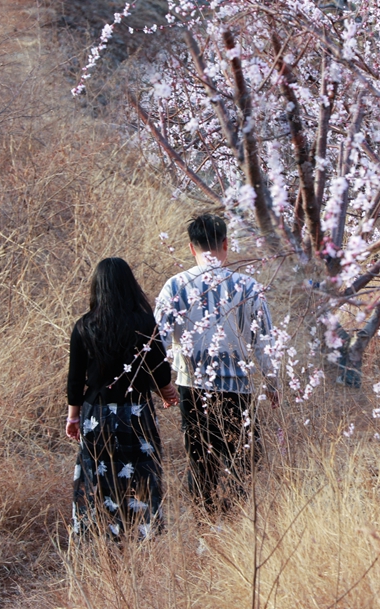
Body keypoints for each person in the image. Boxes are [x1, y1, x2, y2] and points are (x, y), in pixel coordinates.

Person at [155, 213, 279, 512]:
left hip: (192, 388)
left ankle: (207, 522)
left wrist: (163, 384)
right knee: (244, 458)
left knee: (200, 460)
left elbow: (156, 339)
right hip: (239, 388)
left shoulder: (175, 287)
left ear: (190, 247)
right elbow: (264, 341)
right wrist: (273, 382)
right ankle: (236, 516)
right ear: (226, 243)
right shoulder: (249, 287)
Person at [66, 257, 179, 540]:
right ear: (130, 286)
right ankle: (142, 534)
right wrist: (168, 393)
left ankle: (102, 537)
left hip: (96, 416)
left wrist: (73, 416)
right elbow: (159, 369)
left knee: (99, 479)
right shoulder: (143, 322)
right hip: (136, 413)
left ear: (97, 287)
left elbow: (75, 379)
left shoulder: (83, 327)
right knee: (141, 475)